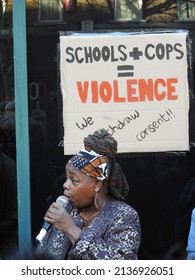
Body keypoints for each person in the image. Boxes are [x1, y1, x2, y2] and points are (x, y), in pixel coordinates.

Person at [37, 128, 141, 260]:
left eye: (73, 180)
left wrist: (71, 229)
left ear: (97, 184)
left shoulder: (124, 216)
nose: (65, 185)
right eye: (66, 178)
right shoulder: (66, 209)